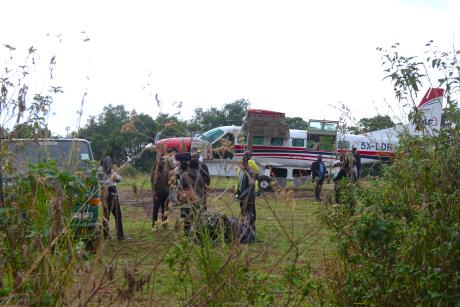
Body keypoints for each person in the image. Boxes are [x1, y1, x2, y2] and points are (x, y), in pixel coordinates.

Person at [99, 156, 124, 240]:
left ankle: (117, 235)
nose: (109, 165)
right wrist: (112, 178)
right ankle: (110, 236)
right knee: (108, 216)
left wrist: (114, 177)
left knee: (112, 215)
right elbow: (100, 182)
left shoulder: (110, 172)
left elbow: (120, 179)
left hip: (109, 194)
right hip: (107, 194)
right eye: (108, 163)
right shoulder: (100, 173)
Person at [179, 158, 205, 236]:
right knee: (196, 218)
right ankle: (196, 235)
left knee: (187, 218)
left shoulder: (184, 175)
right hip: (196, 200)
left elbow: (179, 188)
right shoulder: (200, 176)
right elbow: (201, 191)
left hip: (186, 200)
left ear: (189, 166)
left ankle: (186, 234)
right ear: (197, 167)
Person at [235, 155, 257, 243]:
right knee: (244, 215)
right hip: (242, 197)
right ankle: (245, 232)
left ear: (246, 164)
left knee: (249, 215)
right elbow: (240, 183)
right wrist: (237, 193)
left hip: (249, 198)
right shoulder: (242, 171)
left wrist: (242, 195)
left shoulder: (250, 172)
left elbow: (252, 186)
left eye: (242, 164)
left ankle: (250, 235)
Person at [151, 159, 169, 230]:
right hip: (157, 194)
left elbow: (168, 183)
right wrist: (154, 195)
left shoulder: (165, 173)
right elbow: (152, 185)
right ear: (158, 164)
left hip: (165, 193)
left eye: (164, 164)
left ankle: (164, 224)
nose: (163, 165)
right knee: (156, 210)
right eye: (162, 163)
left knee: (165, 210)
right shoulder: (154, 173)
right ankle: (154, 225)